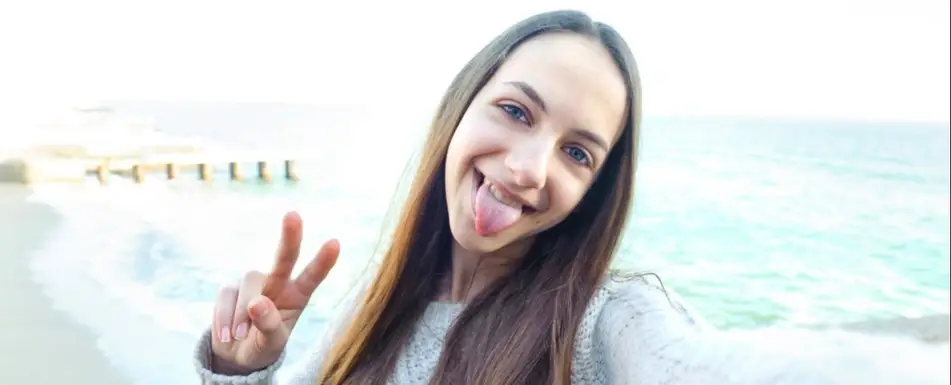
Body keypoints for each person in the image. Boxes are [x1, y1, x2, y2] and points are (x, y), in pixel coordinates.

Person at [194, 10, 946, 385]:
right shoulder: (373, 304)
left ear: (594, 191)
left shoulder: (597, 322)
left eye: (577, 151)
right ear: (461, 108)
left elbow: (710, 366)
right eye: (516, 112)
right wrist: (240, 366)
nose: (528, 168)